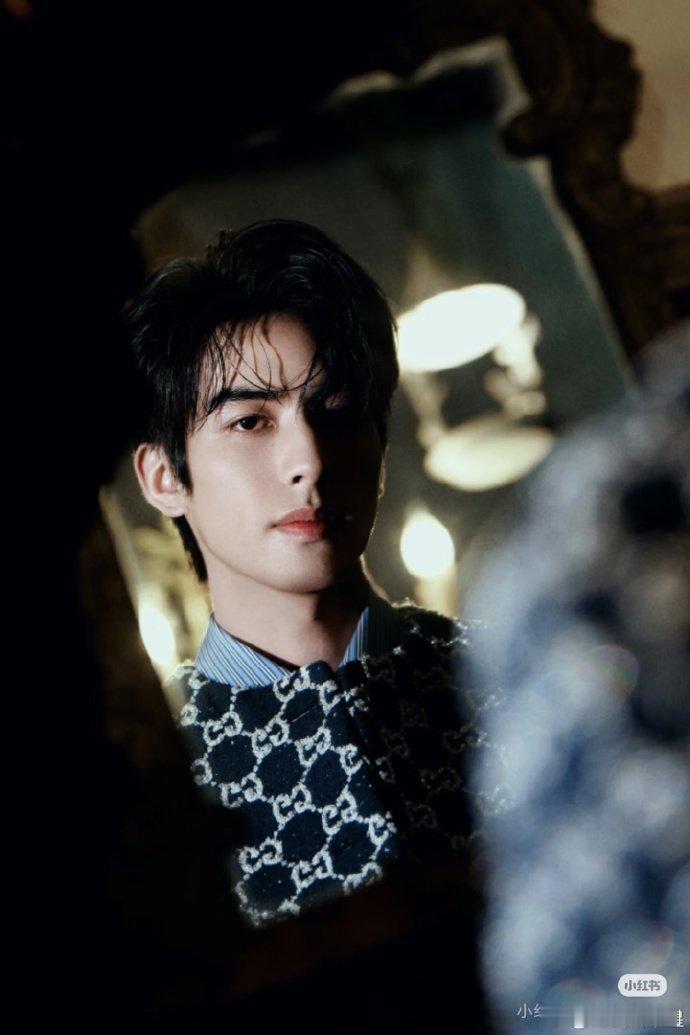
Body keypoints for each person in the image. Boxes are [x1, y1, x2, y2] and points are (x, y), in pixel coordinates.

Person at [126, 219, 486, 930]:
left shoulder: (513, 676)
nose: (310, 461)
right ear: (165, 476)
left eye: (338, 412)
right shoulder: (161, 788)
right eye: (250, 422)